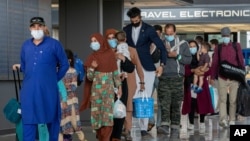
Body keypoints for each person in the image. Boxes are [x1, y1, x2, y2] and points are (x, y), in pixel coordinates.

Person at [13, 17, 69, 141]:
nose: (37, 29)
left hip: (48, 91)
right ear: (30, 29)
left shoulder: (54, 44)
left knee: (52, 122)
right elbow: (25, 66)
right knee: (28, 122)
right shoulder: (26, 46)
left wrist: (54, 79)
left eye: (39, 26)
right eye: (34, 26)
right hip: (29, 92)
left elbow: (65, 64)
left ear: (44, 27)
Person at [123, 7, 167, 137]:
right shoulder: (126, 30)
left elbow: (162, 48)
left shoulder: (149, 29)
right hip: (131, 67)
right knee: (130, 96)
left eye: (136, 19)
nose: (134, 21)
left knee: (145, 97)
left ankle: (143, 128)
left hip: (147, 68)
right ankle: (128, 127)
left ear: (140, 17)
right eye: (132, 19)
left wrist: (162, 65)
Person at [80, 33, 122, 141]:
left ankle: (106, 138)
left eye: (95, 41)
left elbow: (115, 73)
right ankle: (100, 137)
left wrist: (119, 87)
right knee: (97, 116)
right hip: (96, 93)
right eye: (92, 41)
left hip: (108, 91)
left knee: (107, 117)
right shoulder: (92, 57)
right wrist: (92, 68)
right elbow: (89, 78)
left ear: (101, 41)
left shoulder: (110, 55)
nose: (93, 43)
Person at [105, 29, 143, 141]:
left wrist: (123, 59)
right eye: (109, 38)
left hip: (121, 85)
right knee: (107, 112)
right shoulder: (103, 53)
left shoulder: (123, 50)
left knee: (119, 111)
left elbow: (130, 68)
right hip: (106, 85)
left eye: (114, 38)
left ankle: (116, 136)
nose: (112, 41)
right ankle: (107, 135)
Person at [157, 23, 192, 138]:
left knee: (176, 104)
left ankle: (175, 127)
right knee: (165, 103)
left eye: (171, 34)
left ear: (175, 33)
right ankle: (165, 125)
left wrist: (177, 55)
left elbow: (188, 60)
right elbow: (155, 57)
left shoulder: (183, 44)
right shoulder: (160, 43)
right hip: (164, 77)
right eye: (167, 34)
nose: (169, 36)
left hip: (177, 77)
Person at [210, 27, 244, 127]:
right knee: (222, 99)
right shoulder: (219, 47)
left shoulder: (236, 45)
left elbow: (241, 61)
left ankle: (232, 119)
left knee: (233, 100)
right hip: (222, 77)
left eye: (227, 36)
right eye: (224, 36)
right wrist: (212, 76)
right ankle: (223, 120)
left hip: (234, 77)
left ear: (230, 35)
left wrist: (242, 76)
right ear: (222, 36)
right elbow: (215, 62)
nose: (226, 37)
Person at [182, 40, 214, 134]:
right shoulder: (186, 58)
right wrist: (193, 70)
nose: (192, 48)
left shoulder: (203, 57)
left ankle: (202, 122)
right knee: (192, 104)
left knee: (202, 103)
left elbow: (209, 70)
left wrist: (202, 71)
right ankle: (191, 123)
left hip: (202, 84)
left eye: (194, 46)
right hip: (190, 84)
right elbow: (185, 71)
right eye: (190, 46)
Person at [59, 49, 86, 141]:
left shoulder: (73, 71)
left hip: (71, 101)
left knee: (75, 122)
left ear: (69, 60)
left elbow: (74, 86)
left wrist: (62, 88)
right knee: (60, 124)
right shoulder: (57, 70)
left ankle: (83, 139)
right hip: (60, 101)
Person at [148, 24, 163, 132]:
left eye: (157, 33)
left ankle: (159, 124)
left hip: (160, 75)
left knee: (161, 100)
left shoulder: (163, 44)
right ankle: (151, 121)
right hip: (148, 74)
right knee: (147, 99)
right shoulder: (146, 44)